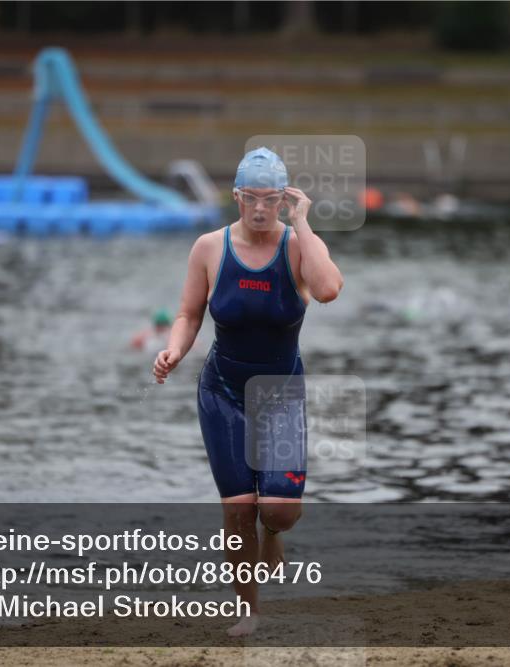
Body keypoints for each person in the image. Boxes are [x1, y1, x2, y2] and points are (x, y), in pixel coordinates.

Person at [153, 147, 343, 636]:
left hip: (281, 393)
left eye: (271, 199)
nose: (260, 208)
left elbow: (328, 290)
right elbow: (189, 313)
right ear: (236, 197)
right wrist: (174, 349)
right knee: (237, 508)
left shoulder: (297, 246)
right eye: (251, 198)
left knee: (279, 510)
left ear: (284, 199)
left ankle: (273, 532)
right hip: (222, 390)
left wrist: (302, 224)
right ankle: (249, 611)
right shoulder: (209, 247)